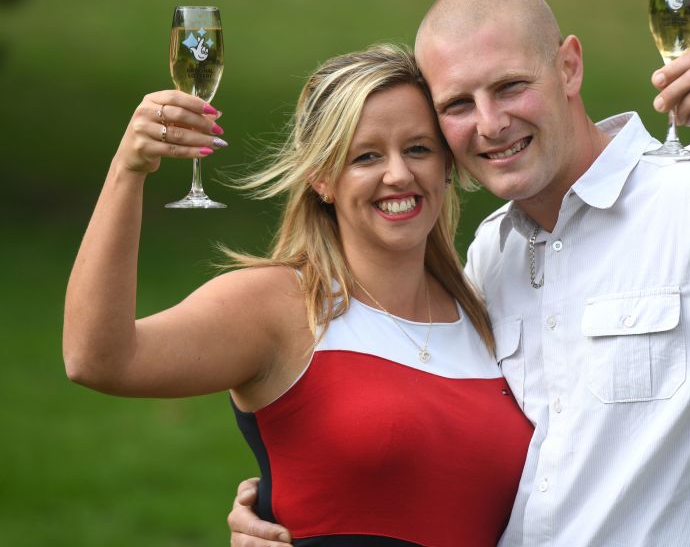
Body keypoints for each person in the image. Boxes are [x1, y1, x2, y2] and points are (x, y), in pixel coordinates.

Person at [228, 0, 690, 546]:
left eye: (509, 88)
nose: (491, 124)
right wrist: (290, 508)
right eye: (458, 105)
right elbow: (445, 455)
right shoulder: (490, 253)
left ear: (568, 64)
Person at [63, 43, 534, 546]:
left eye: (417, 148)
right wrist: (128, 170)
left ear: (446, 165)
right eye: (366, 156)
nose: (398, 174)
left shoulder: (491, 309)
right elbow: (97, 358)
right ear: (322, 178)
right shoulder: (280, 305)